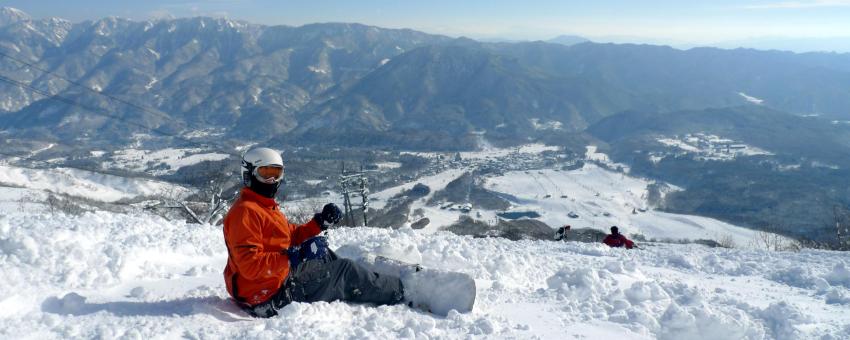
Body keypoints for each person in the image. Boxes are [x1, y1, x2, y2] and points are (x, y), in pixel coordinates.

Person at [222, 147, 404, 318]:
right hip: (266, 296)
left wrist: (319, 223)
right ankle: (402, 290)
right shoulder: (245, 212)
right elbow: (250, 265)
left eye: (276, 174)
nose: (272, 181)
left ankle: (368, 282)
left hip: (273, 281)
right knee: (345, 270)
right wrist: (296, 256)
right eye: (265, 174)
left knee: (323, 254)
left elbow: (288, 235)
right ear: (249, 174)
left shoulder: (263, 206)